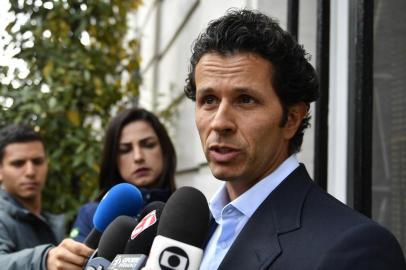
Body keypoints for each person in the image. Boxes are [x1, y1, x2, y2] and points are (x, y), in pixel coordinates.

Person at [184, 9, 406, 270]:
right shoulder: (187, 231)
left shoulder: (357, 249)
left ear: (292, 119)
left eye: (245, 100)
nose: (220, 122)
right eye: (208, 100)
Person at [70, 107, 177, 242]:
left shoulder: (187, 209)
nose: (138, 157)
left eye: (148, 145)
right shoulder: (91, 215)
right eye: (125, 150)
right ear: (113, 159)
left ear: (164, 150)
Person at [0, 124, 93, 270]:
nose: (30, 171)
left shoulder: (52, 223)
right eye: (18, 164)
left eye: (37, 162)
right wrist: (43, 260)